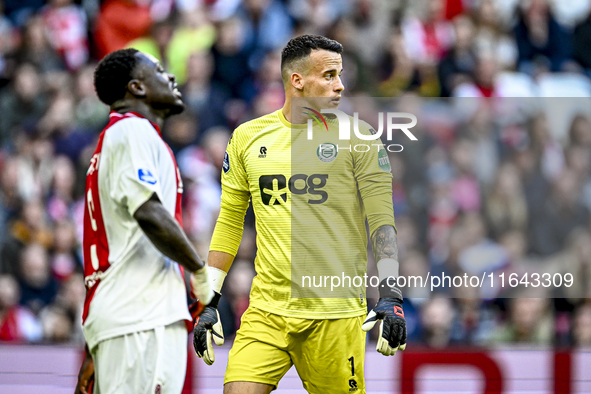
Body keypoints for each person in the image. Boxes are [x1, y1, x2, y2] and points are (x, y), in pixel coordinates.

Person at [193, 34, 407, 393]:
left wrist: (391, 294)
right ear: (297, 81)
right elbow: (229, 222)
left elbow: (381, 221)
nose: (339, 85)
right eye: (329, 75)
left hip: (335, 316)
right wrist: (209, 299)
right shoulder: (248, 138)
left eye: (339, 75)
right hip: (266, 313)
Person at [74, 48, 214, 394]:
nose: (171, 77)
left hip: (138, 315)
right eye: (160, 70)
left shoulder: (128, 137)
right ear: (136, 88)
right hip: (136, 319)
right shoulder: (131, 131)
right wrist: (199, 270)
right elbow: (148, 212)